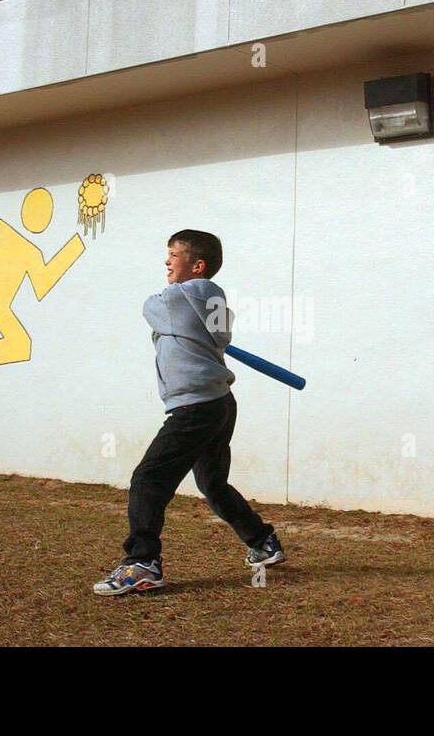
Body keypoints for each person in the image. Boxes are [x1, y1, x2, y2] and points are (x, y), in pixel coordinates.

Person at [93, 229, 285, 596]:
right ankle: (262, 541)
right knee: (212, 484)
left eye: (173, 254)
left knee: (149, 479)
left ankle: (142, 562)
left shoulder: (186, 295)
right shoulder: (209, 303)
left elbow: (150, 307)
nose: (166, 261)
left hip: (195, 407)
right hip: (217, 403)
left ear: (198, 265)